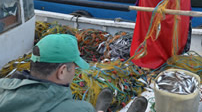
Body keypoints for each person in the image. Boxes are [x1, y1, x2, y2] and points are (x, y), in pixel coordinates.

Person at [0, 34, 148, 112]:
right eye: (75, 66)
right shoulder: (78, 109)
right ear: (62, 71)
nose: (76, 71)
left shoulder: (2, 88)